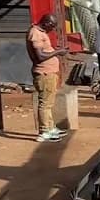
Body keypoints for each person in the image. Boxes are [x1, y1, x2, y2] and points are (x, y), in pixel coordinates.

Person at [26, 12, 68, 143]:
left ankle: (50, 127)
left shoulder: (40, 32)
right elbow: (40, 56)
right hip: (44, 74)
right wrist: (58, 52)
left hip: (49, 72)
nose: (53, 29)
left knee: (49, 103)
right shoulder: (36, 34)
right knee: (45, 104)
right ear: (47, 23)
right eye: (53, 26)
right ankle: (44, 131)